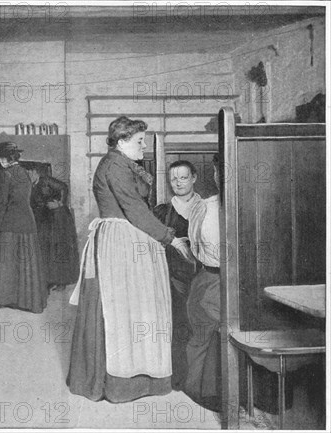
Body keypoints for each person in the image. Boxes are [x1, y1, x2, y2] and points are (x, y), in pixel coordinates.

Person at [67, 116, 193, 403]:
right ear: (122, 141)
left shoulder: (122, 164)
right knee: (123, 310)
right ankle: (122, 382)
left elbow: (138, 209)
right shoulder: (114, 166)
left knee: (137, 309)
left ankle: (142, 377)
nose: (144, 145)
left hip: (129, 237)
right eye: (139, 141)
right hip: (121, 241)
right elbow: (134, 209)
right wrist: (170, 238)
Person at [0, 142, 47, 313]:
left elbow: (2, 204)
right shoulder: (24, 173)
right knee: (25, 262)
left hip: (10, 223)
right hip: (28, 223)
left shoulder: (6, 174)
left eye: (1, 157)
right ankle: (29, 302)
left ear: (6, 158)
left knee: (1, 262)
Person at [153, 160, 201, 390]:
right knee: (176, 327)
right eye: (174, 179)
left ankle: (199, 380)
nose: (178, 183)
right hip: (171, 278)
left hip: (202, 276)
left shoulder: (208, 208)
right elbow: (150, 243)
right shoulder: (162, 211)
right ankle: (178, 378)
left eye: (183, 177)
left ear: (194, 178)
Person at [184, 154, 222, 412]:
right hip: (210, 280)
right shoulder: (204, 207)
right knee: (203, 332)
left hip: (227, 281)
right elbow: (195, 248)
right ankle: (201, 389)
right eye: (219, 171)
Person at [31, 174, 80, 290]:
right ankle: (51, 280)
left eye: (30, 173)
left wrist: (60, 203)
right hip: (47, 220)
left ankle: (62, 281)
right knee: (49, 250)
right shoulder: (32, 186)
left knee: (60, 248)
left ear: (34, 172)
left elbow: (63, 187)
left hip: (59, 218)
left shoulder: (46, 180)